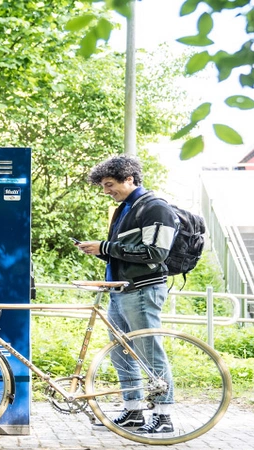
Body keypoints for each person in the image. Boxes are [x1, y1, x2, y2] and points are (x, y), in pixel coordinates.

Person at [76, 154, 178, 434]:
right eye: (104, 186)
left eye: (110, 185)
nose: (106, 191)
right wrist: (100, 250)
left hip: (143, 290)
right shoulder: (124, 209)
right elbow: (123, 254)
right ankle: (133, 412)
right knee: (121, 354)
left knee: (149, 352)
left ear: (130, 178)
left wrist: (105, 248)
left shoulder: (156, 208)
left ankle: (163, 416)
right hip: (120, 292)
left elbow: (155, 253)